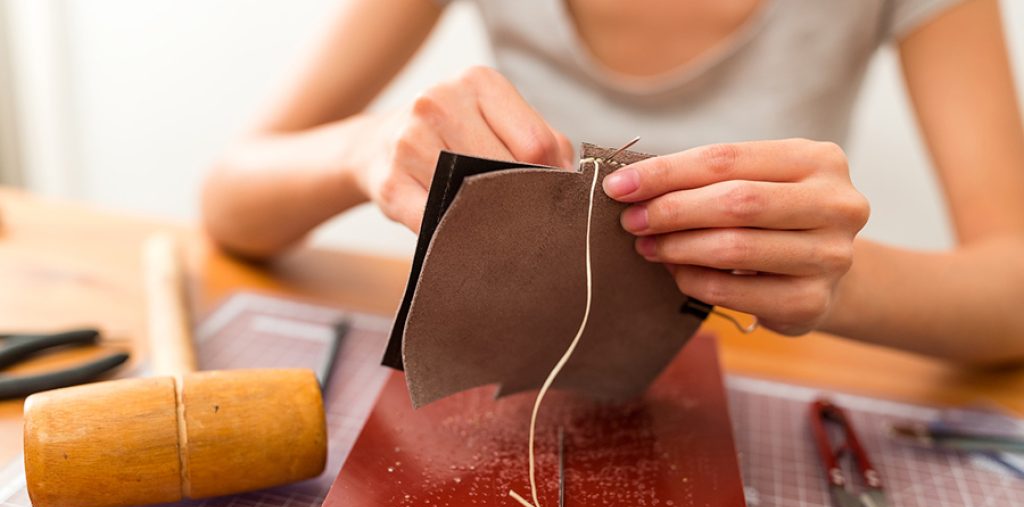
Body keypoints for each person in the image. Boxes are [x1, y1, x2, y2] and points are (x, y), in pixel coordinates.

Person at [201, 0, 1024, 364]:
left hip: (767, 372)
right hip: (521, 359)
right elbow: (229, 198)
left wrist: (837, 283)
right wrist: (368, 147)